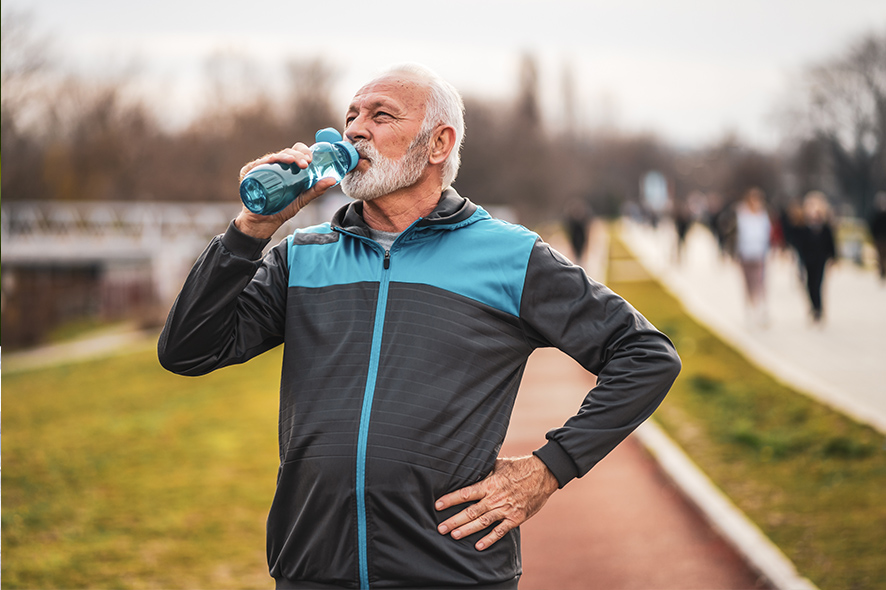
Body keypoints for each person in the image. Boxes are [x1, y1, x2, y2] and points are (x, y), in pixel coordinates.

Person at [157, 63, 681, 589]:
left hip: (452, 572)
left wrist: (549, 468)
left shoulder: (509, 255)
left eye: (381, 115)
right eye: (351, 117)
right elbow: (187, 351)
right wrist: (252, 229)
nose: (356, 130)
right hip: (311, 569)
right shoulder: (301, 256)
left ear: (437, 144)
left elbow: (646, 356)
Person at [794, 191, 837, 323]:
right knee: (809, 284)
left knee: (818, 283)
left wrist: (834, 258)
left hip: (820, 259)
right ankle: (813, 307)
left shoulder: (825, 227)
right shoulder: (803, 226)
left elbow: (831, 243)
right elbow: (799, 244)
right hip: (808, 259)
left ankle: (818, 308)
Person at [733, 187, 772, 327]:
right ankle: (749, 310)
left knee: (760, 283)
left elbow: (767, 233)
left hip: (759, 253)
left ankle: (760, 310)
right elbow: (736, 233)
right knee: (747, 283)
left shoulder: (763, 215)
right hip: (745, 253)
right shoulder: (741, 214)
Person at [869, 191, 886, 282]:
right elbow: (873, 227)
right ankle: (882, 271)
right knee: (880, 257)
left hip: (883, 239)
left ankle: (883, 270)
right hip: (879, 239)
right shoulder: (876, 215)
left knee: (883, 256)